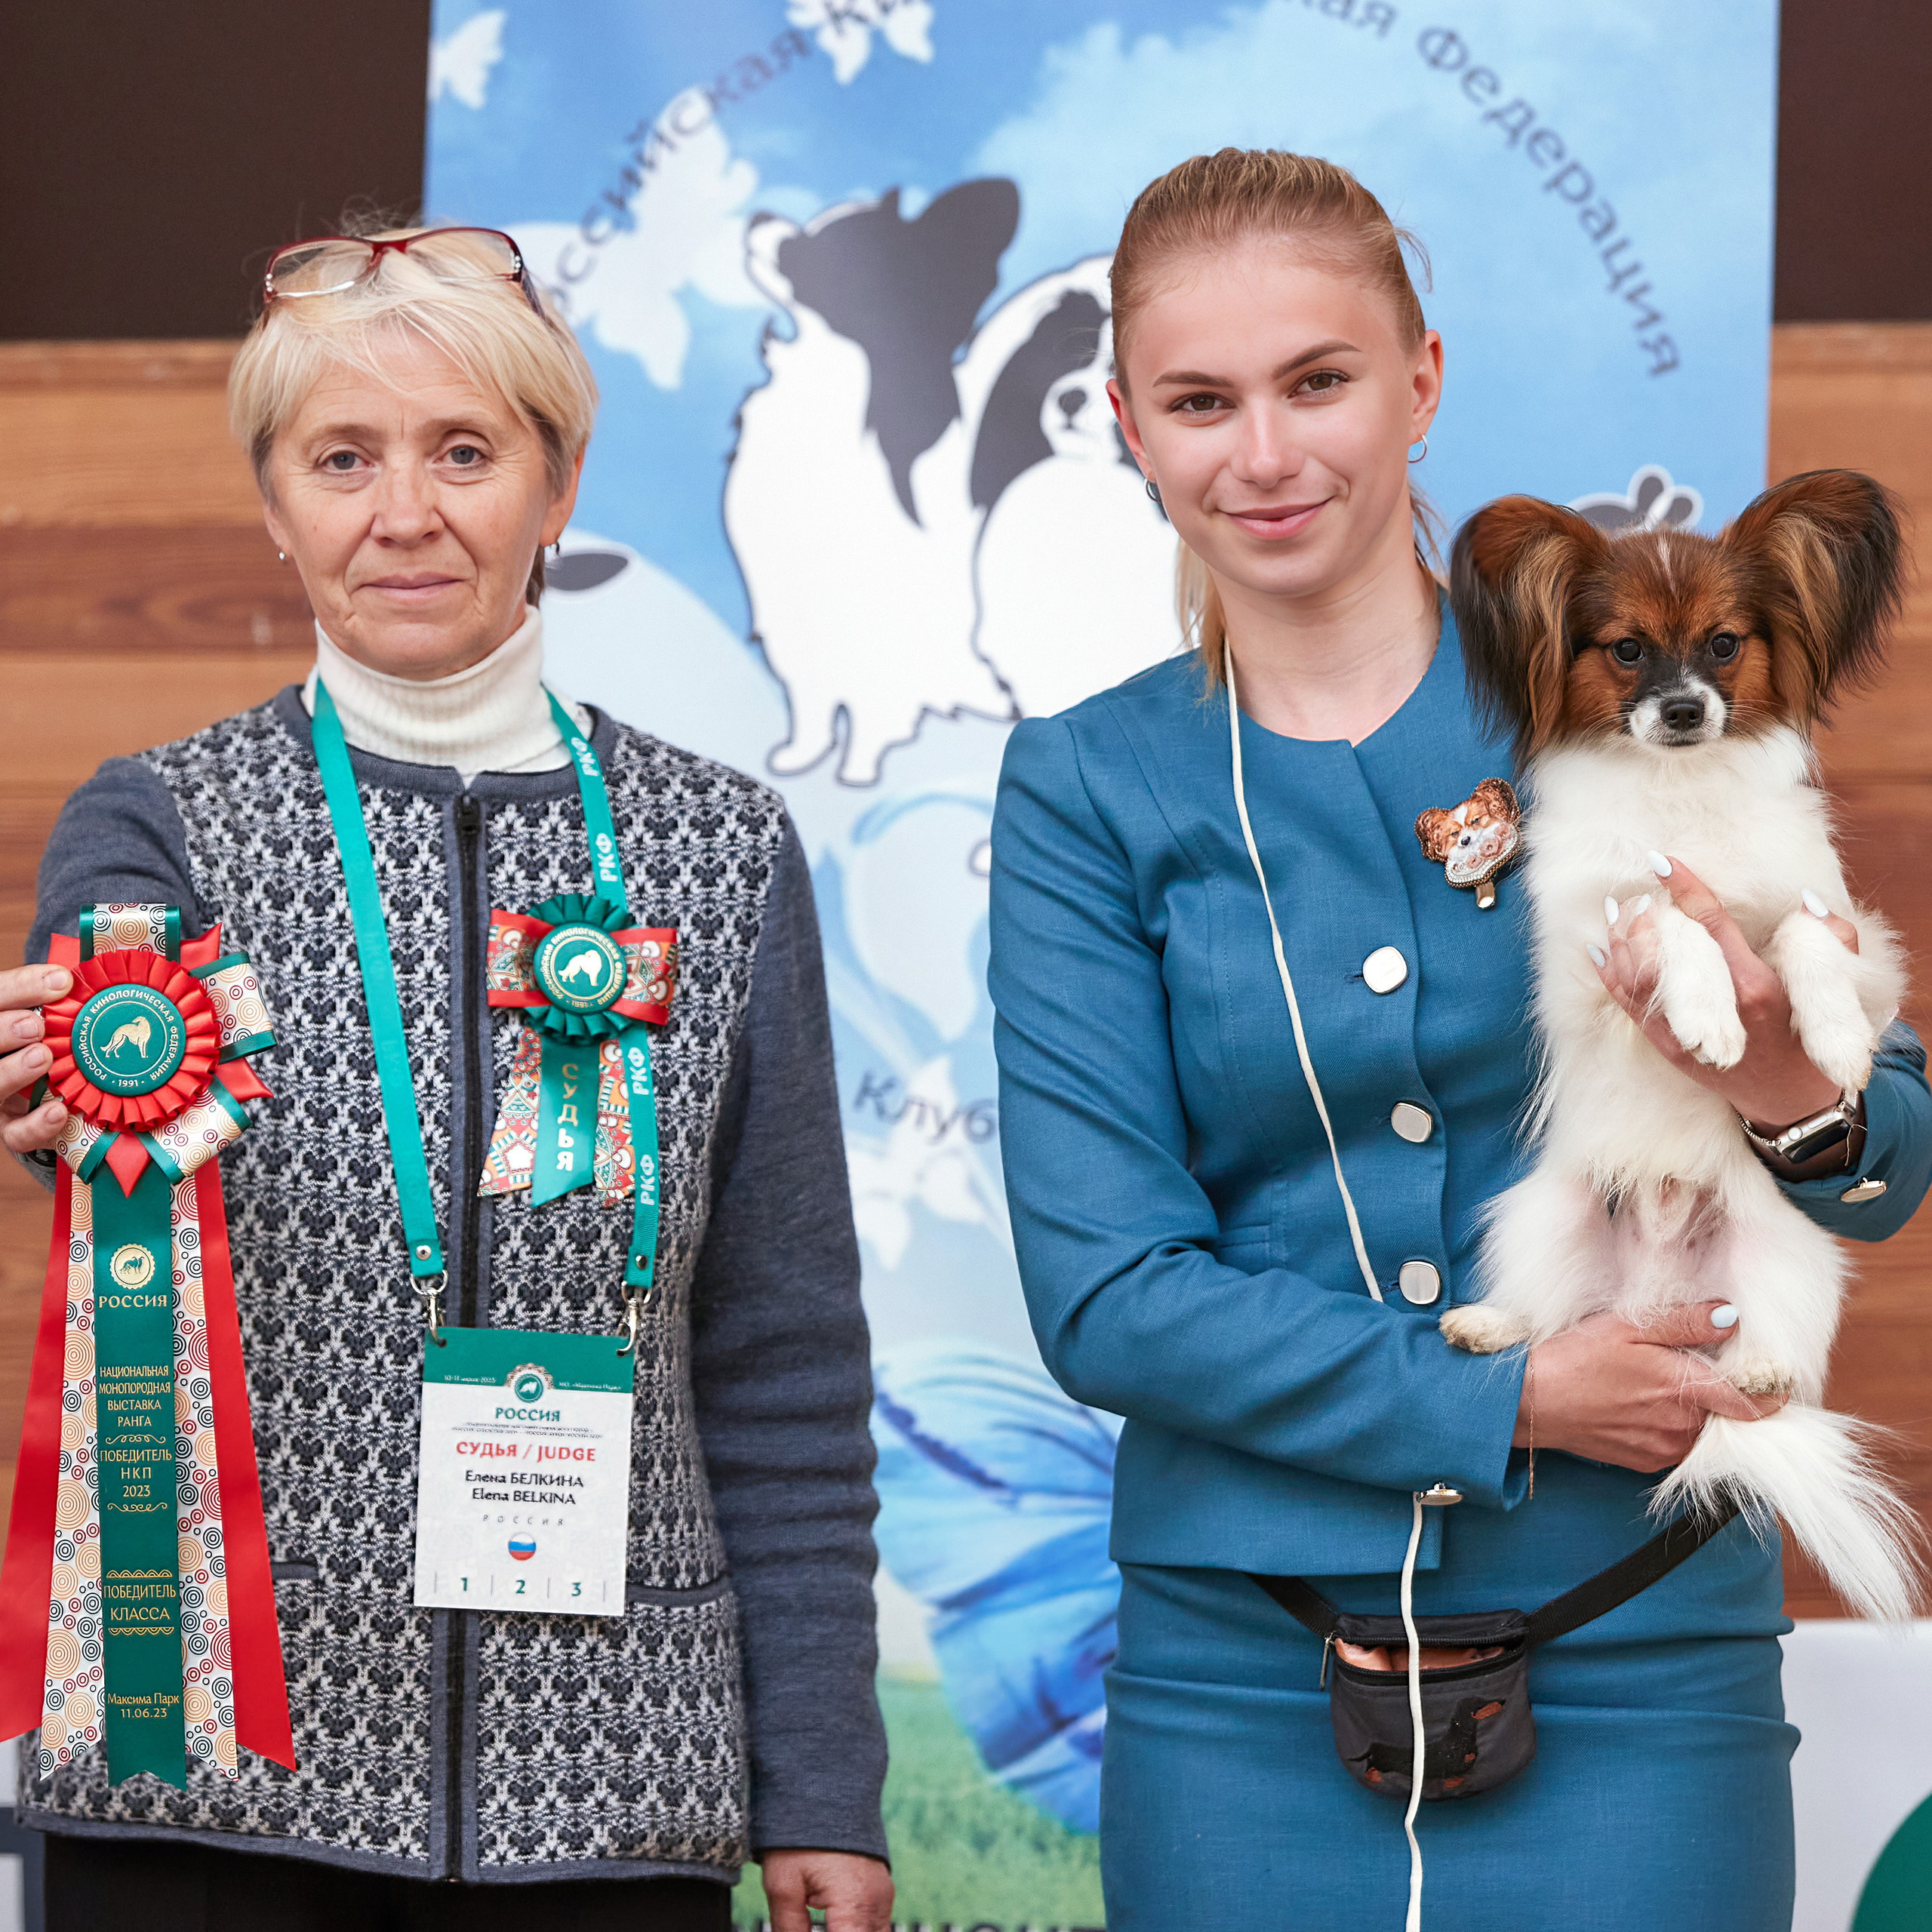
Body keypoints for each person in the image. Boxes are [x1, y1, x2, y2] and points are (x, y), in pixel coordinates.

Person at [986, 150, 1932, 1930]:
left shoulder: (1618, 685)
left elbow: (1879, 1174)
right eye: (1199, 400)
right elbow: (1103, 1292)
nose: (1262, 455)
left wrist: (1780, 1088)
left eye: (1316, 381)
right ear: (1125, 423)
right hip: (1236, 1680)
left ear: (1419, 379)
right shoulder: (1088, 784)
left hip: (1638, 1646)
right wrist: (1507, 1392)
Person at [0, 226, 894, 1932]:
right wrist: (55, 1108)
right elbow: (94, 1140)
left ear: (556, 487)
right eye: (342, 457)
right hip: (214, 1797)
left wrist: (823, 1783)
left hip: (611, 1795)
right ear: (274, 503)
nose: (403, 510)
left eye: (464, 450)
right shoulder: (158, 824)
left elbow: (780, 1355)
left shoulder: (719, 848)